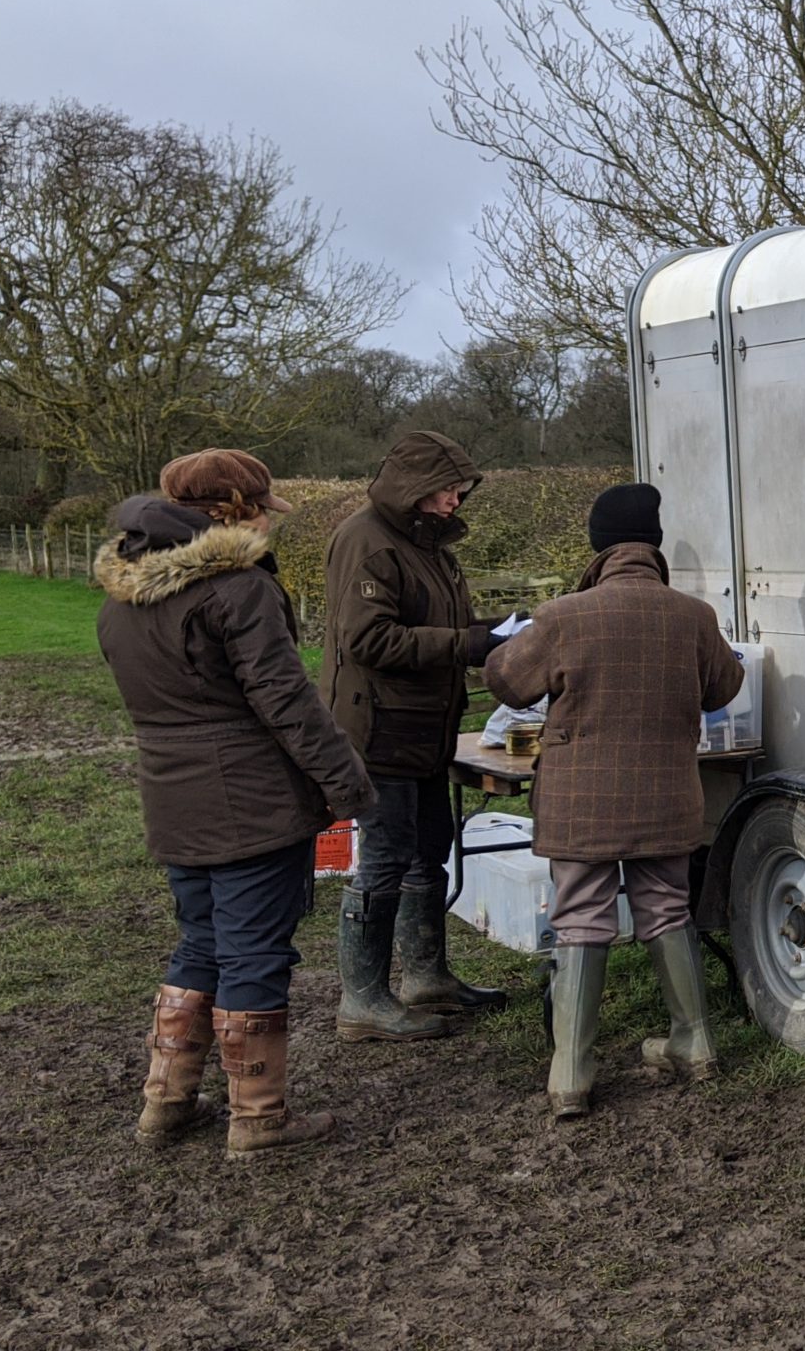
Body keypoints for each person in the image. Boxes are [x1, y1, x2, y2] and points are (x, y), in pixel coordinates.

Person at [96, 450, 374, 1159]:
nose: (265, 517)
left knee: (200, 942)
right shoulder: (237, 590)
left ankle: (165, 1102)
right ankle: (257, 1118)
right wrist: (347, 785)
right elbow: (286, 701)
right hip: (250, 797)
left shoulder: (122, 593)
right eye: (260, 505)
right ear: (235, 509)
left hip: (171, 793)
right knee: (254, 952)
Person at [484, 483, 745, 1118]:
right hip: (666, 795)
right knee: (666, 909)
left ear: (598, 547)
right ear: (653, 546)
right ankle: (696, 1041)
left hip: (583, 803)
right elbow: (725, 688)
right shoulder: (693, 616)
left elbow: (506, 683)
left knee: (580, 917)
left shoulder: (563, 615)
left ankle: (571, 1073)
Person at [323, 431, 506, 1041]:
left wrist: (500, 633)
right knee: (385, 856)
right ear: (414, 489)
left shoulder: (428, 546)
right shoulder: (367, 542)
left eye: (460, 490)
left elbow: (438, 625)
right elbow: (368, 640)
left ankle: (426, 977)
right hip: (380, 729)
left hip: (426, 730)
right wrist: (469, 645)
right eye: (447, 490)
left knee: (430, 842)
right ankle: (363, 999)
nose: (456, 500)